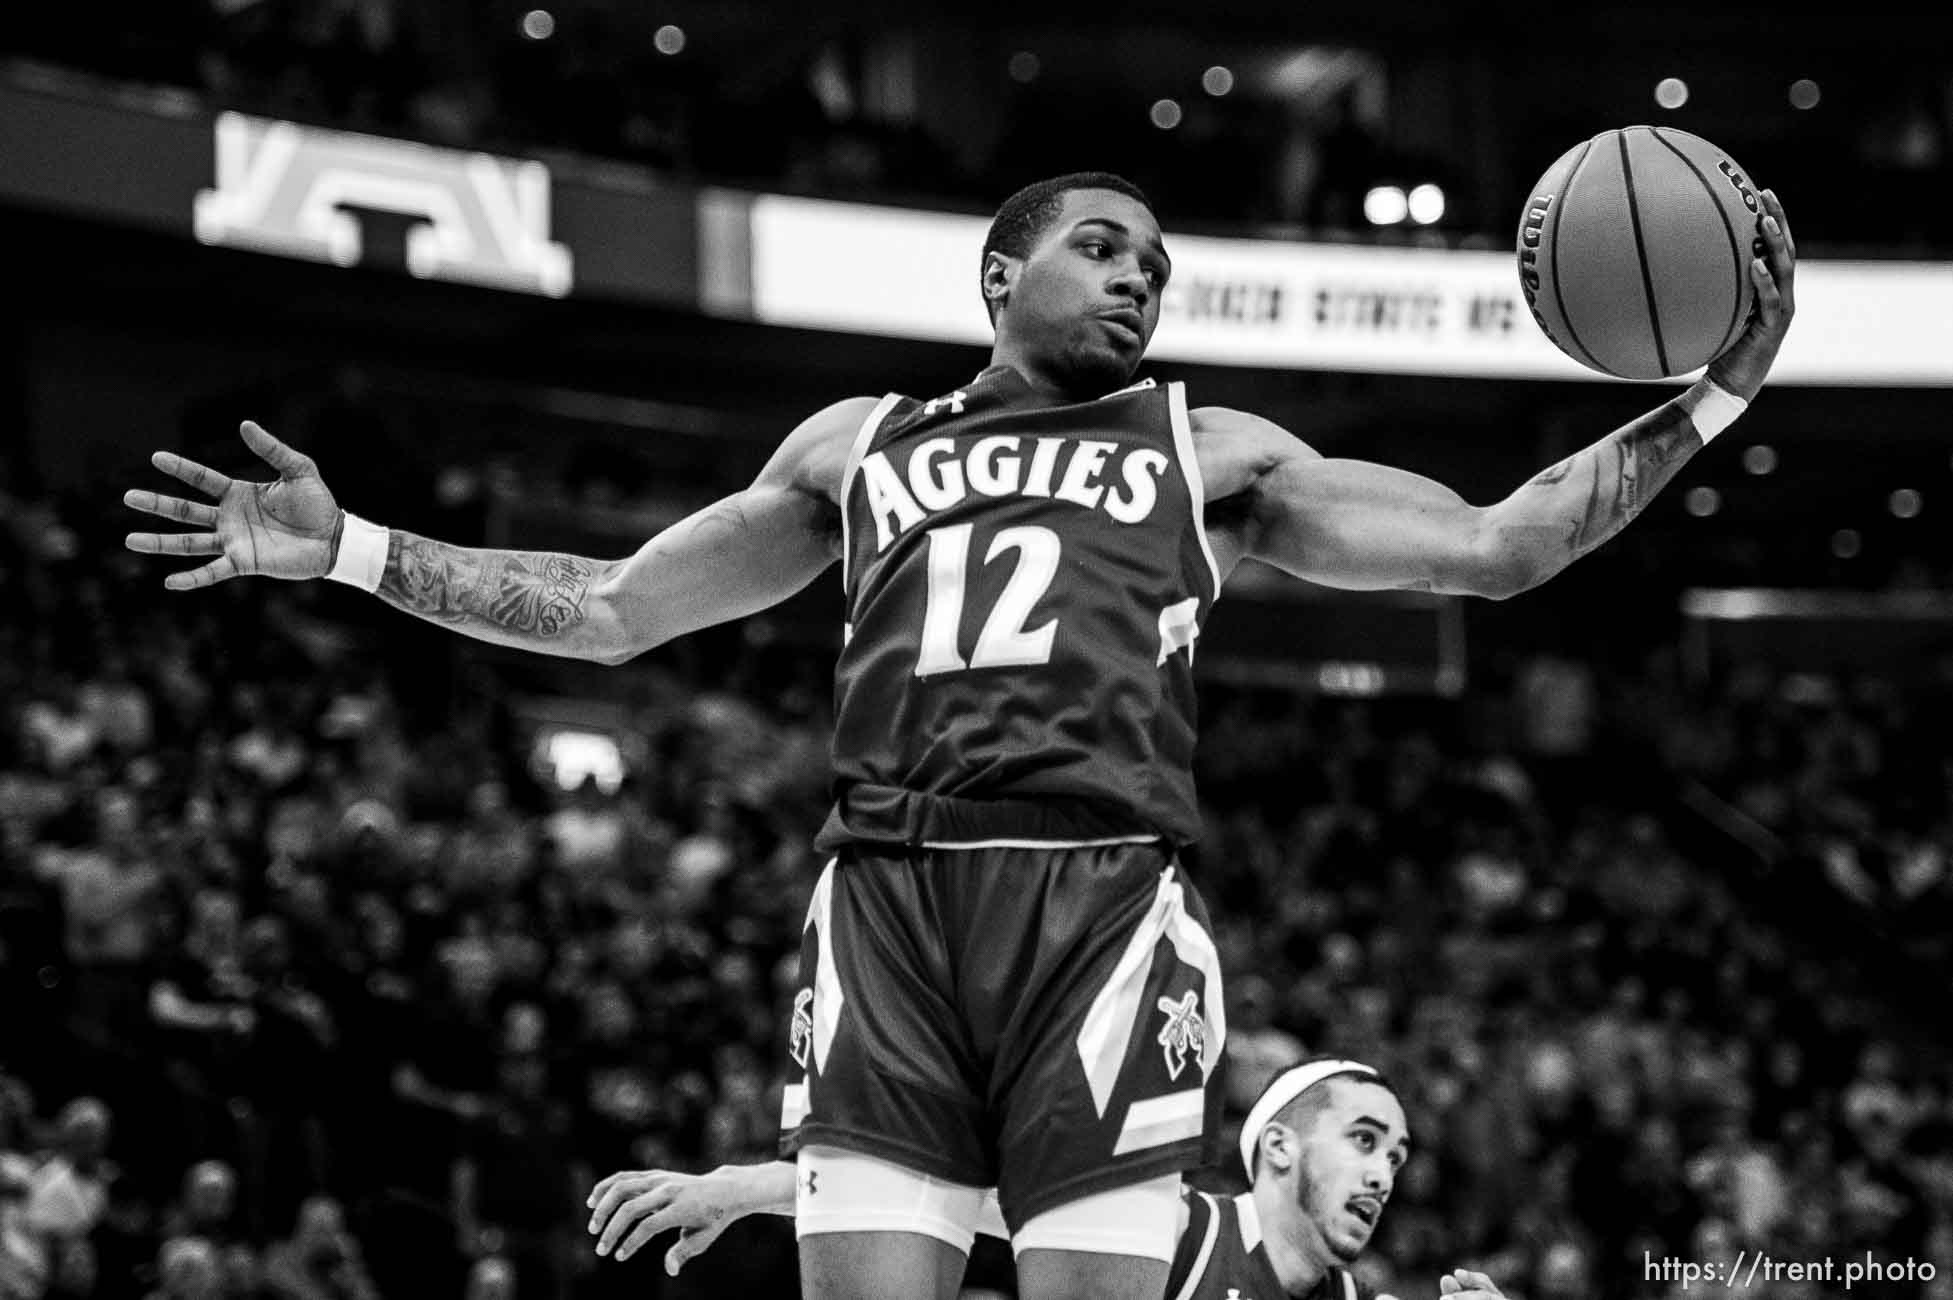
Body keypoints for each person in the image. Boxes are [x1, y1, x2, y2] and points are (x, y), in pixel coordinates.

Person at [124, 172, 1798, 1300]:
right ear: (1000, 275)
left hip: (1099, 911)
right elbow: (616, 608)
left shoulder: (1207, 451)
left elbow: (1498, 548)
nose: (1140, 270)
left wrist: (1717, 390)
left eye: (1157, 257)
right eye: (1102, 244)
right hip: (887, 913)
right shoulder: (854, 447)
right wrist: (347, 553)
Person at [582, 1058, 1508, 1300]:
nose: (1386, 1170)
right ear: (1277, 1149)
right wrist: (739, 1190)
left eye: (1397, 1154)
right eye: (1365, 1139)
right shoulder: (1167, 1230)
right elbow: (924, 1184)